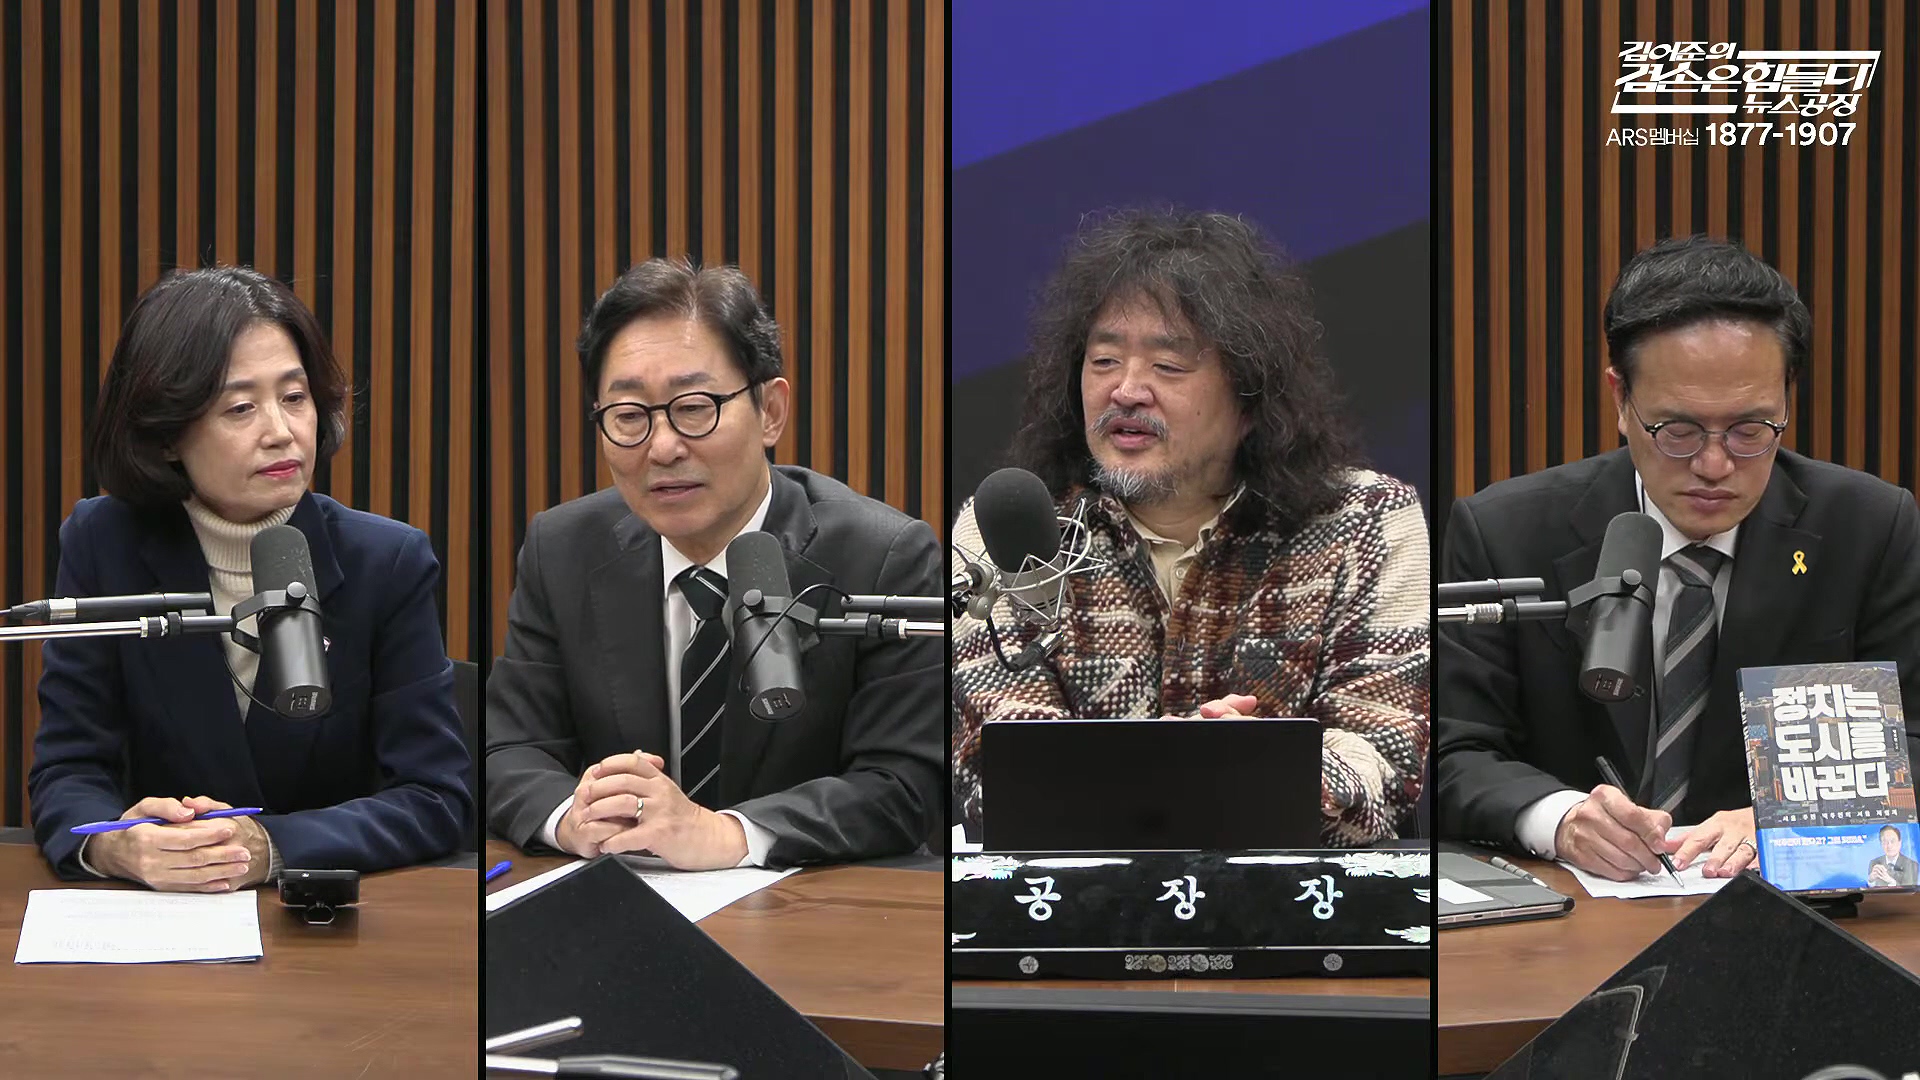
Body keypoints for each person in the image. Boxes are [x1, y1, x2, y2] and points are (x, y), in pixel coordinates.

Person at [1437, 236, 1920, 882]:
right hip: (1573, 914)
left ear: (1787, 403)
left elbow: (1911, 740)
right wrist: (1562, 818)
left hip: (1782, 905)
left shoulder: (1869, 528)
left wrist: (1787, 818)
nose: (1714, 465)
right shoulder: (1505, 531)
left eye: (1750, 430)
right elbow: (1454, 751)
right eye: (1679, 431)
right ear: (1620, 400)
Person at [948, 209, 1431, 846]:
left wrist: (1267, 769)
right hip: (1082, 897)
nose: (1126, 391)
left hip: (1291, 892)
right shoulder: (1011, 532)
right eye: (1103, 360)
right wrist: (1198, 768)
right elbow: (998, 772)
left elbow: (1386, 759)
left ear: (1251, 399)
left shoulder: (1365, 520)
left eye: (1169, 367)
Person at [484, 257, 943, 869]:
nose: (663, 447)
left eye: (694, 406)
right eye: (629, 416)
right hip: (621, 894)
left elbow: (903, 783)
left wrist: (725, 834)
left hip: (808, 906)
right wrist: (574, 816)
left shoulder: (883, 556)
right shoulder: (563, 548)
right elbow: (508, 749)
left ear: (770, 410)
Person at [28, 266, 472, 889]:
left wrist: (269, 846)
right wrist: (113, 845)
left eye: (295, 398)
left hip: (322, 916)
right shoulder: (104, 543)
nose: (281, 433)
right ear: (167, 435)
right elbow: (68, 769)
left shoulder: (386, 562)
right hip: (155, 914)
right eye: (241, 408)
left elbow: (434, 797)